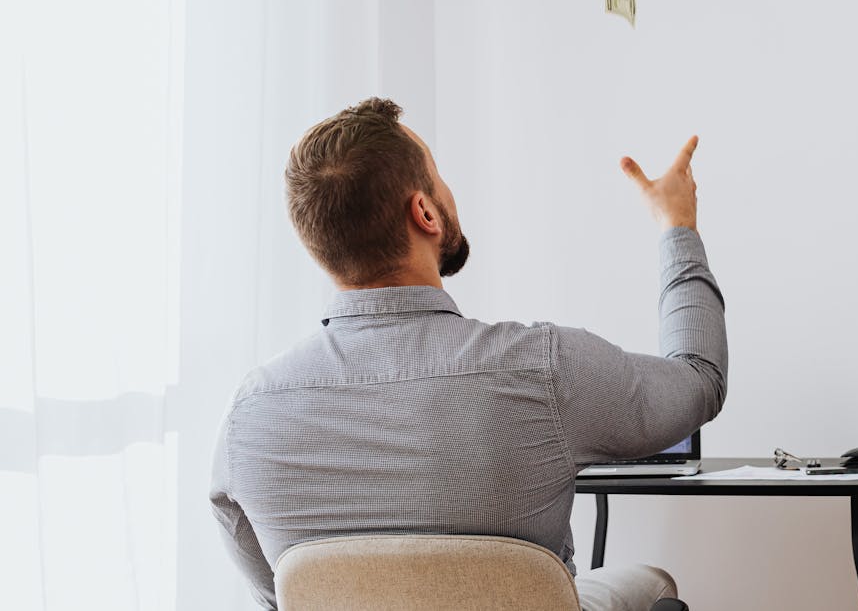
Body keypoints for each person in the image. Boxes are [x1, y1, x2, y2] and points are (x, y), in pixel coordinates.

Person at [210, 98, 727, 611]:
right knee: (651, 580)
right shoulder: (545, 369)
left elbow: (281, 598)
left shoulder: (247, 418)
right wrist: (676, 224)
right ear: (425, 213)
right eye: (438, 177)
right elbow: (700, 379)